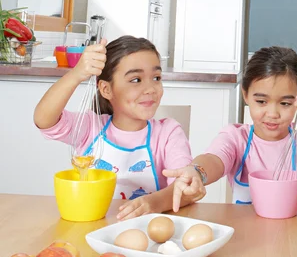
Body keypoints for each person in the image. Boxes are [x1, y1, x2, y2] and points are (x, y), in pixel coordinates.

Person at [165, 46, 297, 210]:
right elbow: (214, 160)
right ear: (246, 95)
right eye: (262, 101)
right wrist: (196, 171)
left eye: (285, 103)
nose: (272, 113)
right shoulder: (236, 137)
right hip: (249, 237)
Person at [34, 36, 194, 220]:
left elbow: (186, 187)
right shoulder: (90, 128)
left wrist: (152, 203)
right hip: (92, 227)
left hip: (145, 230)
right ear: (106, 89)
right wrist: (77, 74)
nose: (150, 88)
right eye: (136, 80)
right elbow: (43, 119)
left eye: (156, 78)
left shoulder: (168, 133)